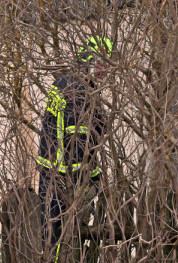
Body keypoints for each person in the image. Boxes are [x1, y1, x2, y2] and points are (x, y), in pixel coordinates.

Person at [37, 35, 113, 262]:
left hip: (54, 171)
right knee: (57, 236)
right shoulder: (77, 90)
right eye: (100, 63)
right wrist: (89, 178)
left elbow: (88, 141)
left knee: (53, 234)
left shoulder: (69, 83)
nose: (104, 70)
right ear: (88, 61)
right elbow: (78, 141)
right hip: (62, 176)